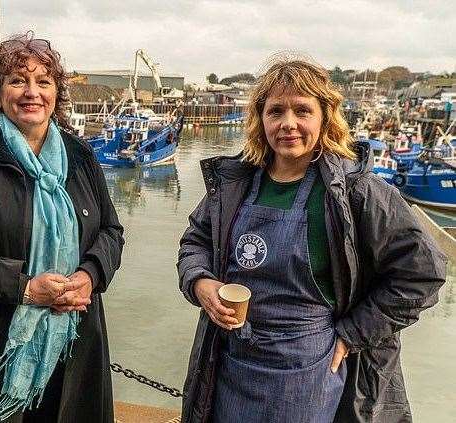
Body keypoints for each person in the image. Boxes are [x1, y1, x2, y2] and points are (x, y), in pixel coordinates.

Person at [177, 56, 446, 423]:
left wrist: (355, 332)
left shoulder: (356, 191)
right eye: (276, 112)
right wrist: (201, 282)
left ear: (325, 117)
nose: (288, 124)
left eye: (302, 110)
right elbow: (195, 241)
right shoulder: (234, 186)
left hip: (310, 371)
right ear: (261, 120)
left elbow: (423, 273)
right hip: (230, 363)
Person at [0, 33, 124, 423]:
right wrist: (26, 288)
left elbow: (110, 231)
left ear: (56, 94)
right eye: (18, 80)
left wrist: (89, 276)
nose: (31, 92)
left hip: (74, 337)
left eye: (43, 82)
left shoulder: (80, 154)